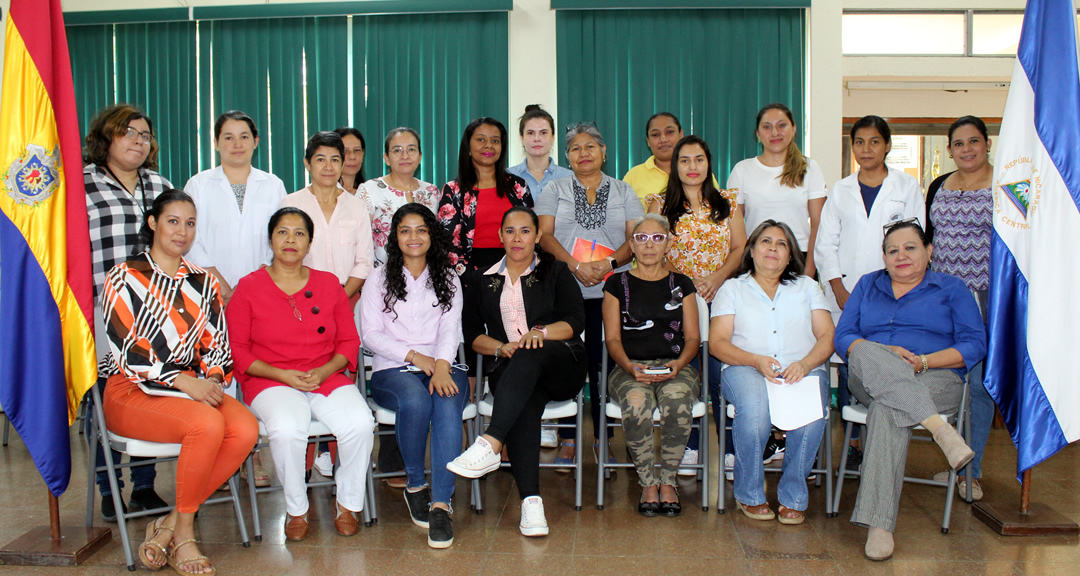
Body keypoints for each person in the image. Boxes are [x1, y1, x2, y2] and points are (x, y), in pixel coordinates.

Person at [102, 190, 259, 574]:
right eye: (173, 221)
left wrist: (213, 379)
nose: (182, 231)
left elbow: (217, 345)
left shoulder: (203, 282)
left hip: (192, 386)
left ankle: (167, 524)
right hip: (132, 389)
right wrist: (186, 384)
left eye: (190, 223)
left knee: (245, 429)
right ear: (153, 223)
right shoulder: (124, 276)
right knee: (206, 424)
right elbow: (129, 352)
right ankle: (185, 534)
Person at [834, 220, 986, 561]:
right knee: (864, 349)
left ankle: (879, 525)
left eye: (910, 247)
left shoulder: (952, 288)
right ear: (884, 258)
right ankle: (940, 430)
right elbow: (843, 338)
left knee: (888, 409)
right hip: (871, 377)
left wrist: (924, 361)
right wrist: (887, 354)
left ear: (929, 251)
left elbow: (975, 345)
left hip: (936, 376)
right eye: (892, 250)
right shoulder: (867, 285)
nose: (900, 255)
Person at [226, 207, 374, 542]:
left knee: (360, 423)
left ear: (309, 243)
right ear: (270, 239)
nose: (290, 240)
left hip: (326, 375)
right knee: (288, 428)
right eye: (282, 232)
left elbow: (349, 342)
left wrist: (324, 370)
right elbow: (239, 352)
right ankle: (296, 509)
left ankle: (348, 504)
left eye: (299, 233)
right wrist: (283, 375)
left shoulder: (328, 284)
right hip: (269, 379)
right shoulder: (248, 288)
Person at [446, 207, 586, 538]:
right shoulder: (481, 279)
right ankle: (531, 503)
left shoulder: (556, 270)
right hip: (512, 370)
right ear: (500, 236)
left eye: (525, 231)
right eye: (510, 231)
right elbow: (471, 335)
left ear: (537, 236)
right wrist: (499, 347)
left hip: (561, 363)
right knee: (525, 402)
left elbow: (576, 320)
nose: (517, 238)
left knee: (529, 350)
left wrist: (543, 333)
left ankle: (491, 441)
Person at [815, 115, 924, 470]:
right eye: (859, 142)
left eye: (874, 142)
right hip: (844, 290)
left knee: (884, 355)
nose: (866, 149)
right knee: (848, 361)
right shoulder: (841, 190)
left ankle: (882, 434)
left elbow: (912, 243)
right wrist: (837, 286)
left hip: (891, 292)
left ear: (887, 145)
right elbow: (824, 243)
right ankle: (853, 442)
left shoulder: (907, 187)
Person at [710, 220, 834, 525]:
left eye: (781, 244)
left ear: (790, 255)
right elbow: (718, 343)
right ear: (751, 250)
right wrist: (755, 360)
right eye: (766, 241)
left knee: (811, 413)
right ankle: (749, 494)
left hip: (801, 367)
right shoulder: (733, 288)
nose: (773, 249)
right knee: (754, 410)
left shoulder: (807, 286)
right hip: (745, 366)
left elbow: (828, 336)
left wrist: (805, 365)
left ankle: (793, 495)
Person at [535, 122, 644, 466]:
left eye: (590, 147)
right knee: (567, 360)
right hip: (565, 288)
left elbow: (635, 237)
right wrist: (574, 266)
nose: (584, 154)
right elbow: (545, 235)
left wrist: (607, 263)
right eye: (576, 149)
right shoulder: (555, 188)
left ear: (604, 152)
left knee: (604, 364)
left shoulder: (624, 190)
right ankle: (568, 436)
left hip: (612, 290)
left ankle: (603, 437)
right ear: (567, 156)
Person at [361, 204, 469, 549]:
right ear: (394, 236)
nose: (413, 237)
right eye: (405, 230)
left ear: (431, 235)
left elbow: (451, 326)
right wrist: (416, 357)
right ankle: (414, 484)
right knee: (416, 400)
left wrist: (440, 363)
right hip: (392, 368)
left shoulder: (448, 276)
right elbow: (370, 335)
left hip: (442, 363)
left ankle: (440, 503)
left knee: (448, 403)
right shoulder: (379, 278)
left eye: (421, 229)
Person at [83, 103, 172, 523]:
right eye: (128, 133)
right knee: (105, 396)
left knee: (148, 394)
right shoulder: (82, 184)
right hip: (103, 309)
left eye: (144, 134)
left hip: (157, 311)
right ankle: (107, 486)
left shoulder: (158, 184)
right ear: (107, 137)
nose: (139, 141)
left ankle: (143, 485)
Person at [646, 135, 746, 474]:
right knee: (688, 372)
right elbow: (653, 251)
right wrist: (689, 285)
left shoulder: (728, 201)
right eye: (685, 160)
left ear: (708, 163)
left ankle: (730, 448)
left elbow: (739, 248)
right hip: (679, 299)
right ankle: (690, 445)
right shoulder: (660, 205)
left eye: (699, 159)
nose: (692, 167)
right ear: (675, 166)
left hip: (723, 298)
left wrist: (716, 278)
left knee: (720, 373)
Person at [601, 214, 700, 517]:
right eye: (641, 238)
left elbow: (694, 338)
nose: (649, 245)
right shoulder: (616, 283)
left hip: (676, 366)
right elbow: (613, 341)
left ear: (669, 243)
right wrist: (631, 367)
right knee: (636, 400)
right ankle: (647, 482)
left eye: (657, 238)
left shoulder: (682, 284)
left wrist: (678, 364)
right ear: (631, 244)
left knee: (676, 399)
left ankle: (667, 482)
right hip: (628, 368)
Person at [924, 116, 994, 501]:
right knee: (944, 377)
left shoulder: (1005, 186)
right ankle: (952, 455)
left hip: (985, 300)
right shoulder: (939, 185)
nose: (966, 149)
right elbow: (929, 241)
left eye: (974, 142)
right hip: (942, 298)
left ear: (986, 145)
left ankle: (972, 471)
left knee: (980, 384)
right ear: (949, 149)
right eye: (959, 143)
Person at [184, 110, 287, 306]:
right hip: (207, 290)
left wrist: (251, 284)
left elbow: (281, 237)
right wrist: (219, 284)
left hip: (263, 288)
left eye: (244, 137)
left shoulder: (273, 185)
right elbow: (190, 238)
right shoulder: (197, 185)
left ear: (255, 142)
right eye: (229, 137)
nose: (237, 144)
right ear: (216, 143)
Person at [727, 103, 826, 278]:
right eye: (767, 127)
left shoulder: (810, 168)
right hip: (755, 260)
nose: (774, 133)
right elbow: (733, 227)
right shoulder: (742, 170)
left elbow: (819, 223)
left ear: (794, 129)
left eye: (782, 125)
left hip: (798, 257)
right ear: (757, 134)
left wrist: (809, 270)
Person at [280, 131, 374, 308]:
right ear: (307, 163)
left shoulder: (357, 207)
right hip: (300, 298)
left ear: (342, 164)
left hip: (347, 298)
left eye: (335, 160)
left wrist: (339, 298)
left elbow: (364, 262)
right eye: (321, 160)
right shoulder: (291, 204)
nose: (328, 167)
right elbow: (284, 256)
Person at [438, 117, 532, 276]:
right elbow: (448, 244)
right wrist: (473, 277)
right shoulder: (453, 190)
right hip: (471, 273)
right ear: (468, 146)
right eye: (481, 139)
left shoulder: (518, 186)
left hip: (517, 268)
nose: (489, 145)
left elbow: (531, 232)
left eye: (495, 141)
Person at [357, 127, 441, 268]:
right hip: (381, 278)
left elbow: (438, 240)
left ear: (420, 156)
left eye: (411, 149)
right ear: (387, 158)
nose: (405, 156)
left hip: (425, 276)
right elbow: (358, 242)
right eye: (397, 150)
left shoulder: (432, 191)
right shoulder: (369, 190)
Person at [507, 104, 573, 200]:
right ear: (522, 138)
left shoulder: (569, 178)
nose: (537, 138)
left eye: (543, 133)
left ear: (553, 137)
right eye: (530, 133)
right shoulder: (507, 178)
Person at [623, 112, 685, 207]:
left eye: (669, 132)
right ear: (648, 141)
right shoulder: (633, 176)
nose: (663, 139)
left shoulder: (696, 172)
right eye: (655, 134)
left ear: (681, 135)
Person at [335, 127, 367, 195]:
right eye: (345, 151)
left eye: (357, 150)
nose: (352, 157)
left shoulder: (369, 193)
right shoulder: (324, 195)